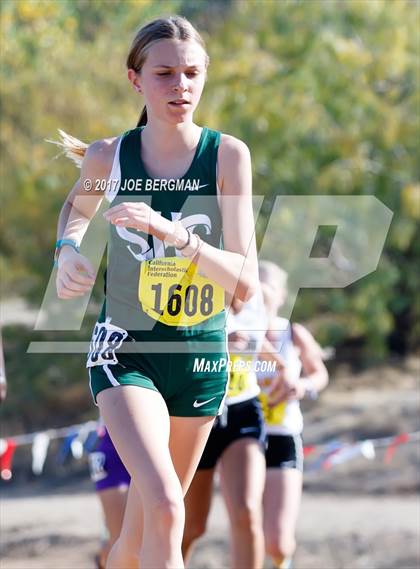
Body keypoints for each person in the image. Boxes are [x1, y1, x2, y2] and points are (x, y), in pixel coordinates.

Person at [53, 16, 258, 569]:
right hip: (126, 351)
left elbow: (243, 283)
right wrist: (68, 251)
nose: (180, 86)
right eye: (164, 73)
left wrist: (176, 235)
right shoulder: (109, 157)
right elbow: (77, 209)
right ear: (135, 80)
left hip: (199, 358)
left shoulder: (228, 157)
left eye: (192, 73)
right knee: (167, 505)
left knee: (139, 542)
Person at [182, 290, 268, 569]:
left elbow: (262, 345)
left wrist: (289, 370)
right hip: (196, 410)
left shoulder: (254, 293)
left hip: (243, 408)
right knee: (190, 525)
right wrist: (217, 344)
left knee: (247, 511)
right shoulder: (186, 279)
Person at [258, 261, 329, 569]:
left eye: (267, 287)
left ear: (281, 295)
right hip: (241, 438)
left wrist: (302, 386)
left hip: (282, 438)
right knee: (250, 531)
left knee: (278, 540)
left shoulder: (293, 333)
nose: (259, 293)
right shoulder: (235, 332)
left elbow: (319, 374)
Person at [88, 425, 130, 569]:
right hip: (111, 453)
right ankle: (103, 561)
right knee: (120, 539)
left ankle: (102, 560)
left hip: (152, 447)